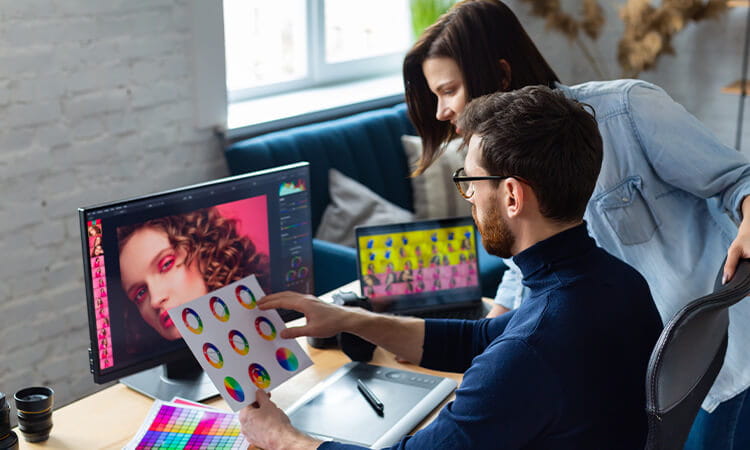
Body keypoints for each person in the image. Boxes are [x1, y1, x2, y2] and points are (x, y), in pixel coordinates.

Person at [402, 1, 750, 447]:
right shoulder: (500, 171)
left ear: (502, 75)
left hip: (723, 360)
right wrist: (489, 368)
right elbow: (524, 272)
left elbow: (737, 179)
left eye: (448, 91)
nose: (440, 112)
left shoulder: (626, 111)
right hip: (641, 374)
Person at [238, 86, 663, 449]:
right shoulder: (616, 282)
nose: (470, 199)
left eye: (470, 182)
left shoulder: (533, 349)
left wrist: (283, 438)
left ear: (512, 197)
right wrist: (349, 319)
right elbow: (480, 337)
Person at [117, 207, 269, 342]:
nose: (155, 300)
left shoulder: (272, 310)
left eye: (166, 265)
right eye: (140, 293)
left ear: (203, 249)